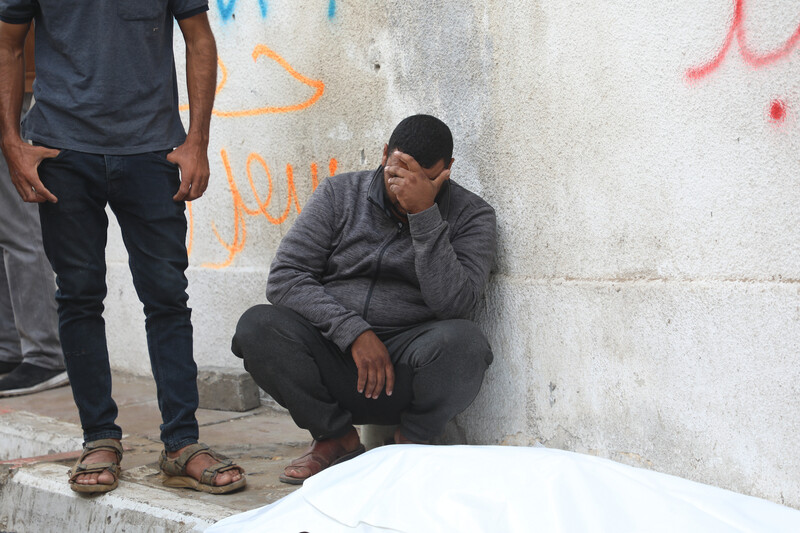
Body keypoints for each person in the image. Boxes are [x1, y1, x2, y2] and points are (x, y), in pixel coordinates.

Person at [0, 2, 245, 494]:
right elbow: (7, 43)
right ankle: (100, 438)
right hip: (61, 151)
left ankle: (181, 443)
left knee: (167, 298)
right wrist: (12, 143)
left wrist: (197, 140)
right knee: (79, 295)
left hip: (152, 149)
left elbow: (199, 38)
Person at [232, 114, 497, 484]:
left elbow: (454, 305)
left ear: (447, 171)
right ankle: (336, 438)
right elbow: (285, 277)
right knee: (257, 326)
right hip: (336, 358)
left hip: (407, 365)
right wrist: (352, 331)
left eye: (423, 178)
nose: (405, 186)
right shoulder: (339, 194)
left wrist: (424, 214)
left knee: (466, 345)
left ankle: (412, 441)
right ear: (385, 153)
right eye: (397, 172)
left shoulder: (473, 215)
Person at [0, 89, 68, 398]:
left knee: (21, 227)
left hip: (14, 86)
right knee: (7, 229)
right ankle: (10, 347)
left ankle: (46, 354)